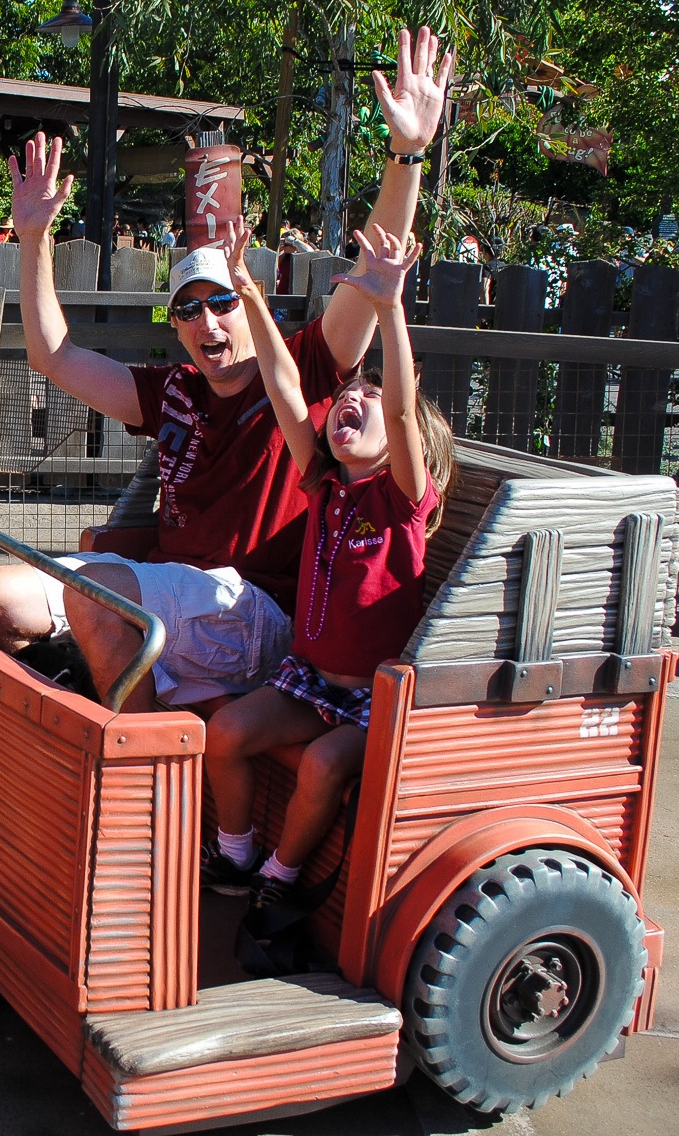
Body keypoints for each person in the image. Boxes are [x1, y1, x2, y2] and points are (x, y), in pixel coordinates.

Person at [0, 26, 455, 713]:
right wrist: (36, 236)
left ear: (247, 302)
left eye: (220, 301)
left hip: (252, 609)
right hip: (170, 593)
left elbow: (376, 268)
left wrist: (407, 154)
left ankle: (136, 780)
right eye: (187, 311)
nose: (206, 322)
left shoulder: (307, 367)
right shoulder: (175, 392)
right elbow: (54, 356)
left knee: (93, 601)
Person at [201, 220, 454, 918]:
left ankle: (279, 878)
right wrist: (247, 288)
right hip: (307, 680)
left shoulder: (400, 497)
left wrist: (389, 306)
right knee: (223, 733)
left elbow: (401, 408)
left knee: (320, 765)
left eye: (365, 399)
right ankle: (239, 850)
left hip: (371, 700)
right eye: (348, 394)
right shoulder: (326, 485)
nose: (355, 397)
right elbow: (283, 386)